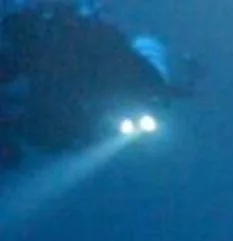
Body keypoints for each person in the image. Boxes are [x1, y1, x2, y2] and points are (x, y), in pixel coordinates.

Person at [0, 0, 196, 168]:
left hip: (82, 116)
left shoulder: (97, 38)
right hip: (62, 119)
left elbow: (138, 73)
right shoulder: (32, 39)